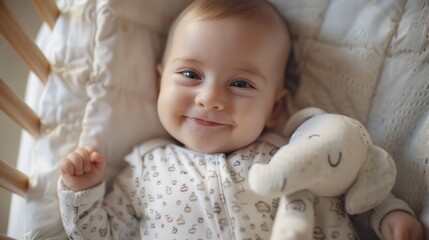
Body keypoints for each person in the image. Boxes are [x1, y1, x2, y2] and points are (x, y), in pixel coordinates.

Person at [57, 0, 424, 239]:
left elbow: (352, 179)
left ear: (274, 108)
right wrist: (82, 193)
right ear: (159, 81)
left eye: (240, 83)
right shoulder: (142, 169)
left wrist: (388, 215)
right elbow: (98, 235)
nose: (211, 98)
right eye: (190, 75)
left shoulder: (292, 154)